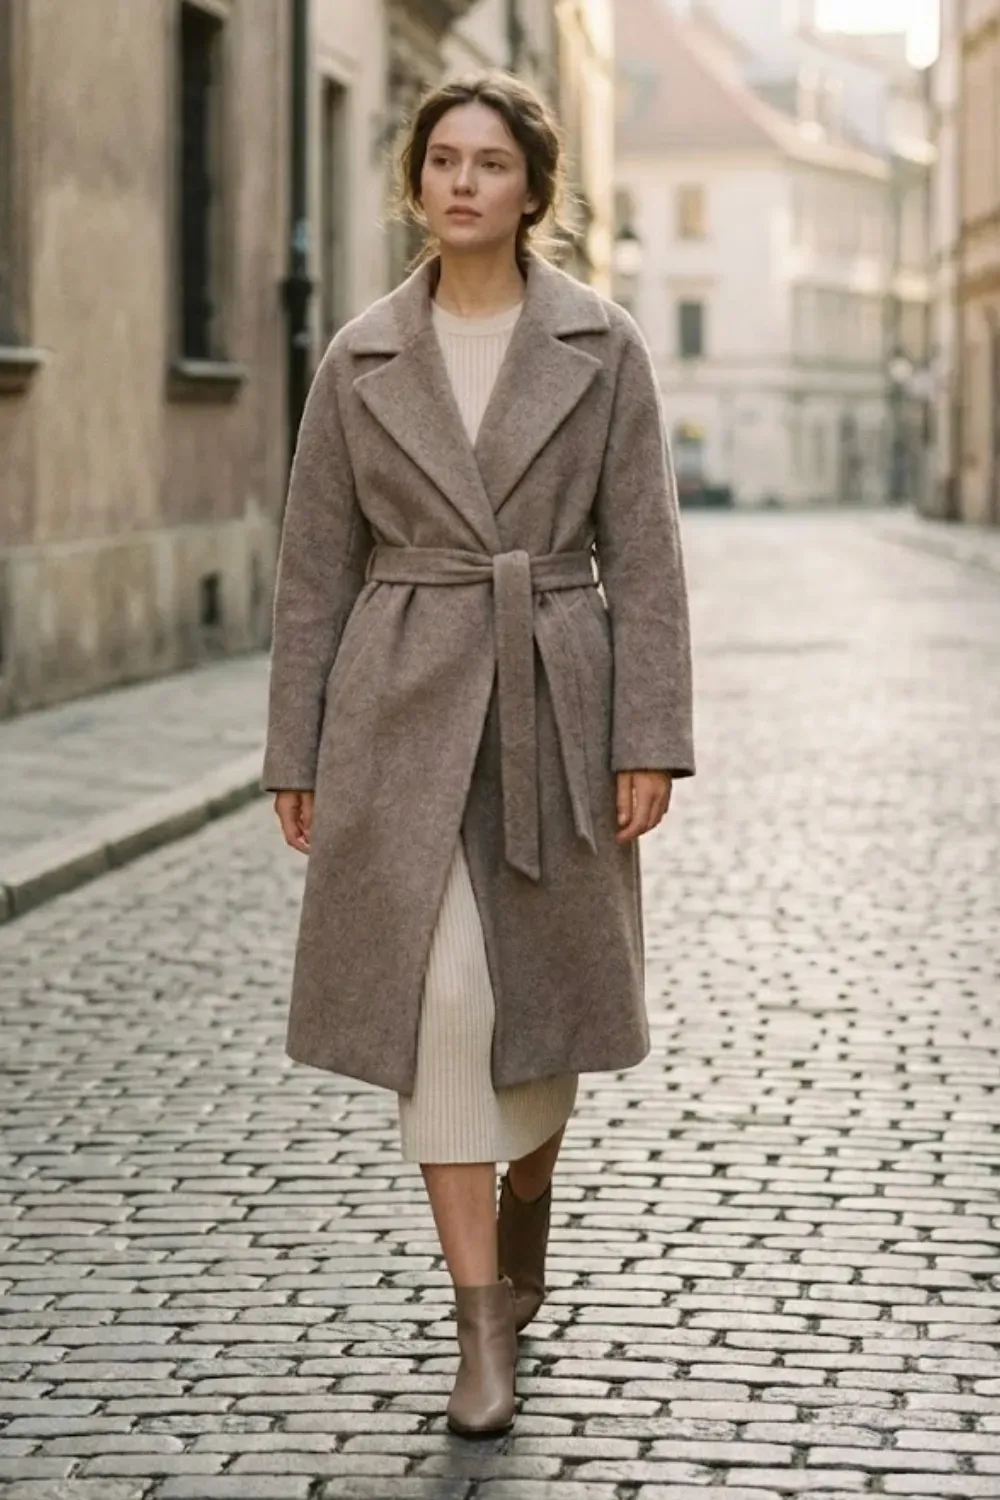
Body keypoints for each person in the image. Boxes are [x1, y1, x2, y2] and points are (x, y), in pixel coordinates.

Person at [262, 70, 694, 1439]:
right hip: (398, 706)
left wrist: (650, 739)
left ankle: (531, 1191)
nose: (461, 182)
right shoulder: (360, 357)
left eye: (489, 163)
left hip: (554, 693)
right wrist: (297, 751)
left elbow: (649, 556)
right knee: (444, 1007)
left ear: (532, 189)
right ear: (416, 183)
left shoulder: (603, 345)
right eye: (441, 159)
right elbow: (312, 570)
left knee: (542, 1016)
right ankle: (481, 1324)